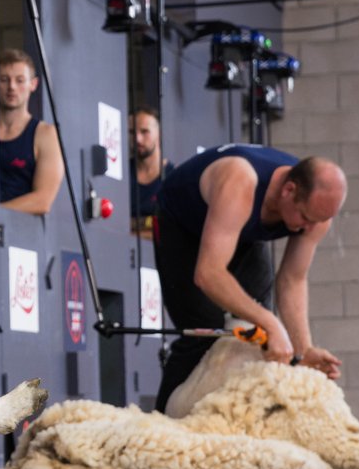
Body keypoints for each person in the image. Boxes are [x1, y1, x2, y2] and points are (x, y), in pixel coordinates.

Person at [152, 143, 347, 413]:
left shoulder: (316, 213)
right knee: (203, 331)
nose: (310, 228)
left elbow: (292, 280)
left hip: (238, 231)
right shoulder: (240, 180)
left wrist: (303, 351)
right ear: (289, 190)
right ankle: (160, 428)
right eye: (305, 217)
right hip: (183, 226)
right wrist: (271, 322)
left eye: (318, 221)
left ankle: (236, 428)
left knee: (260, 339)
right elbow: (208, 273)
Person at [0, 49, 63, 215]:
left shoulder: (45, 134)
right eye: (4, 80)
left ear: (33, 84)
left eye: (20, 80)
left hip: (20, 234)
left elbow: (43, 201)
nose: (11, 87)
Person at [128, 105, 173, 238]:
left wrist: (130, 227)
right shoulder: (121, 175)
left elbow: (170, 231)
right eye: (131, 132)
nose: (137, 139)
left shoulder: (173, 178)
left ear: (159, 134)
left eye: (144, 131)